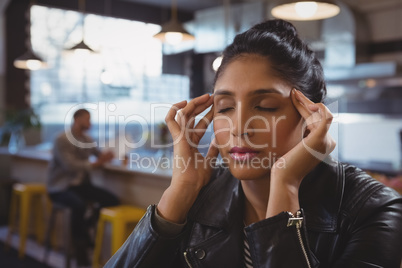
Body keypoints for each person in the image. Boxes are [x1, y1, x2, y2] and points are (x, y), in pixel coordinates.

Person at [105, 19, 402, 267]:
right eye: (224, 108)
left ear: (311, 117)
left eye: (267, 107)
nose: (239, 127)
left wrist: (284, 186)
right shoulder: (199, 195)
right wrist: (179, 193)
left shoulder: (374, 210)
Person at [47, 108, 120, 267]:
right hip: (61, 188)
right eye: (87, 119)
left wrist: (110, 157)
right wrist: (97, 163)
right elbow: (70, 166)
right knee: (78, 206)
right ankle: (81, 251)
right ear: (77, 119)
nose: (90, 123)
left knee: (112, 200)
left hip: (81, 186)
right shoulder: (61, 139)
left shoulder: (87, 139)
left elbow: (99, 156)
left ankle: (87, 227)